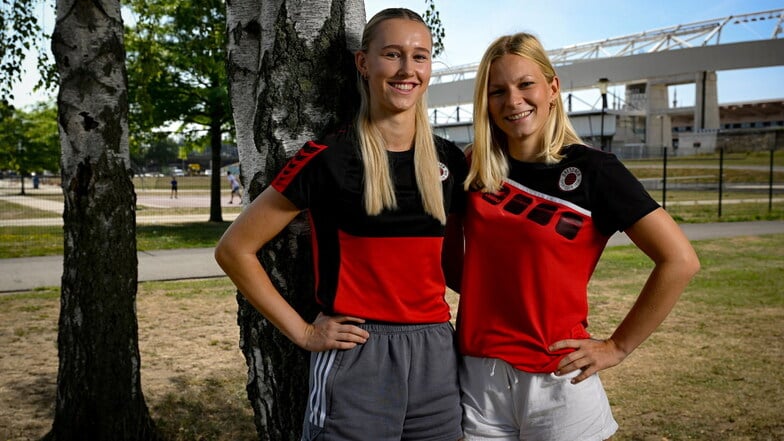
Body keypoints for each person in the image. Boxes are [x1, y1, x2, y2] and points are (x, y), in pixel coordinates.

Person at [214, 8, 467, 441]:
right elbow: (234, 249)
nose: (408, 69)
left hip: (437, 353)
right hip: (358, 353)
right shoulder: (330, 157)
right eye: (392, 54)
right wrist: (305, 332)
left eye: (420, 56)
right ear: (363, 63)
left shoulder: (448, 160)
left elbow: (456, 267)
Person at [454, 32, 700, 440]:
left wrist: (618, 347)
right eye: (497, 91)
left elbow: (680, 260)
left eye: (525, 84)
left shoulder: (595, 170)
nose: (513, 100)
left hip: (558, 379)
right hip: (478, 377)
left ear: (553, 88)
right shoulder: (475, 166)